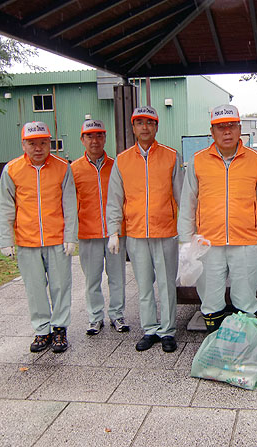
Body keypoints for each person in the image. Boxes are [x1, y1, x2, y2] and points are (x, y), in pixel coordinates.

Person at [178, 104, 257, 332]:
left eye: (232, 126)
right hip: (208, 243)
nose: (227, 132)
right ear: (212, 132)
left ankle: (245, 348)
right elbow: (188, 203)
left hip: (245, 242)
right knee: (211, 300)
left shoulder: (255, 161)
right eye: (220, 127)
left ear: (240, 129)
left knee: (246, 299)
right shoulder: (198, 161)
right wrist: (185, 240)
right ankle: (214, 347)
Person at [106, 106, 184, 352]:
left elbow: (182, 195)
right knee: (143, 284)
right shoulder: (123, 160)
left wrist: (190, 230)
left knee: (166, 283)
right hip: (136, 233)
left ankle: (168, 330)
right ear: (133, 127)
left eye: (150, 122)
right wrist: (113, 231)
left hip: (165, 231)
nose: (145, 127)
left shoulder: (171, 156)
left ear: (156, 126)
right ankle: (150, 329)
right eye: (140, 123)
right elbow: (115, 198)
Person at [0, 121, 77, 353]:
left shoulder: (63, 168)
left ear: (50, 143)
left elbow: (70, 205)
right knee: (35, 287)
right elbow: (5, 206)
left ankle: (60, 329)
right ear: (23, 144)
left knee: (61, 286)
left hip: (57, 239)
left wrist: (70, 236)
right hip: (27, 240)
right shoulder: (11, 170)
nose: (38, 148)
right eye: (32, 143)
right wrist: (6, 239)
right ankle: (42, 330)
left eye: (43, 142)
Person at [71, 119, 127, 336]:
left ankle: (117, 315)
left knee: (117, 276)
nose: (95, 141)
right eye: (89, 136)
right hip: (88, 233)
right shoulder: (74, 169)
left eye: (99, 135)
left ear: (105, 138)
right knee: (92, 278)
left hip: (115, 233)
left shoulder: (116, 165)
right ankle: (95, 317)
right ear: (82, 139)